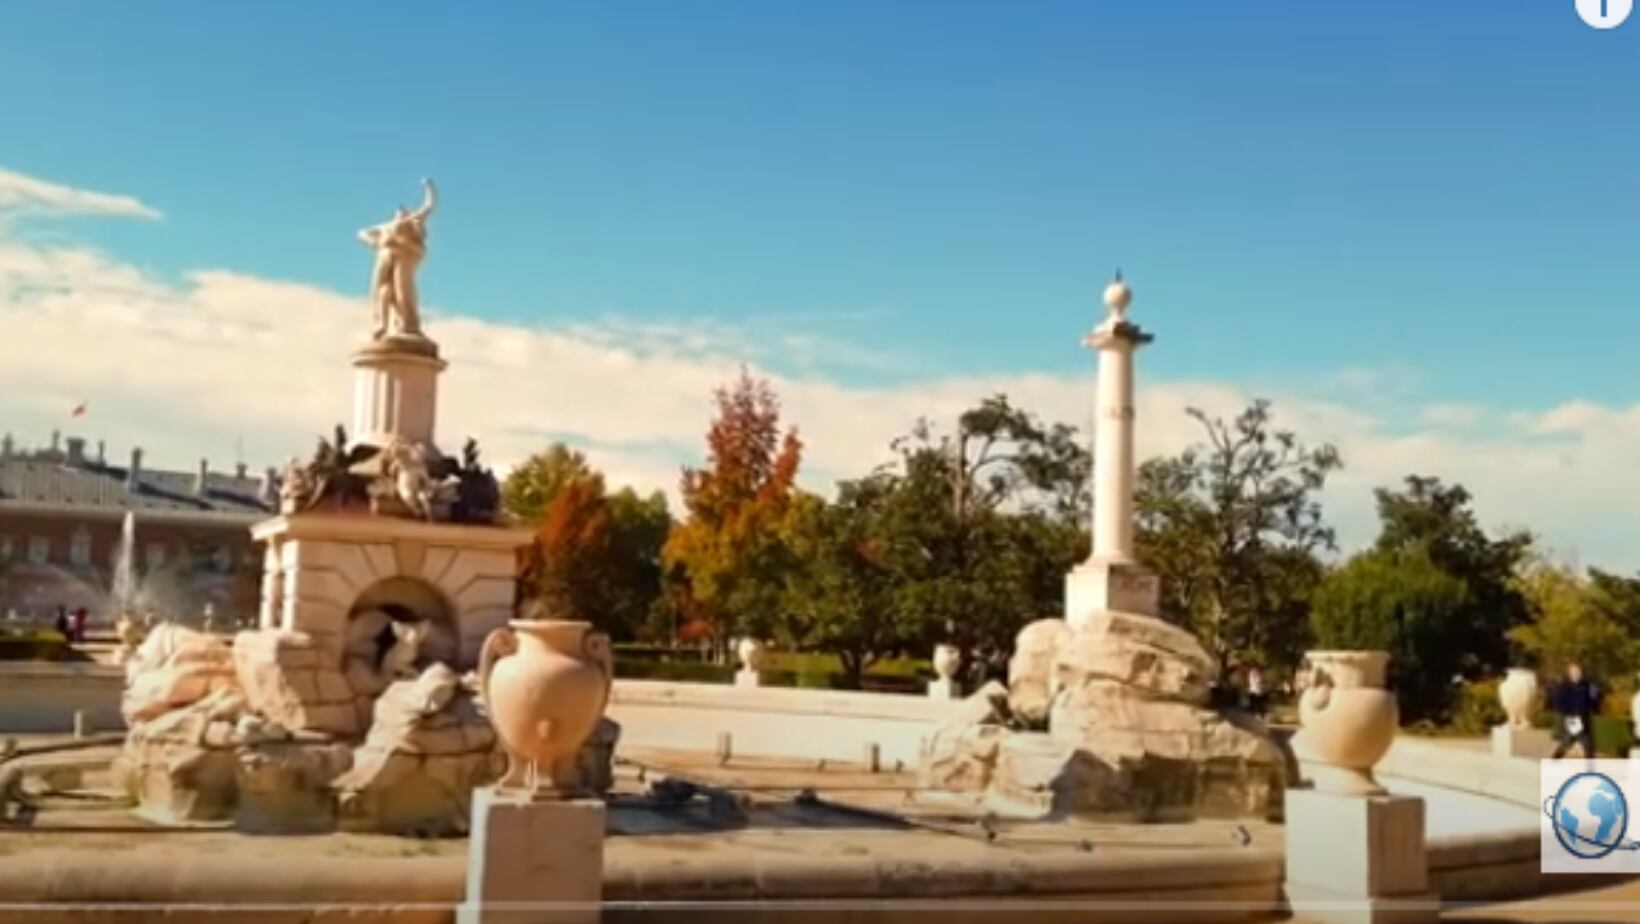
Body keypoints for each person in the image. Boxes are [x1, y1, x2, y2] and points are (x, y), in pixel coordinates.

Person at [1550, 662, 1600, 759]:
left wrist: (1595, 698)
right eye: (1574, 672)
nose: (1577, 674)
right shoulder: (1564, 687)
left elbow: (1592, 702)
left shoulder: (1586, 685)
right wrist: (1569, 714)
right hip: (1572, 718)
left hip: (1584, 718)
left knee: (1573, 742)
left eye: (1578, 672)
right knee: (1584, 743)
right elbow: (1559, 703)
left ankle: (1555, 759)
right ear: (1569, 673)